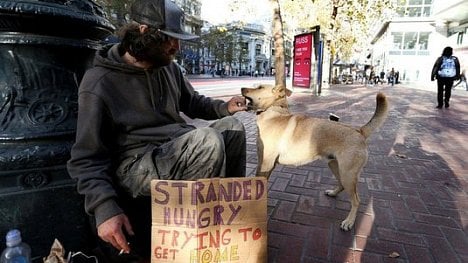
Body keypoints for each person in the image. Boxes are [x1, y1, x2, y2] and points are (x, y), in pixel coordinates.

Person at [66, 0, 247, 261]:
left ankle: (224, 220)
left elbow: (192, 102)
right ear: (143, 31)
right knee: (206, 141)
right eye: (169, 39)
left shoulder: (169, 67)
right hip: (135, 165)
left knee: (233, 128)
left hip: (174, 147)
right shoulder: (99, 82)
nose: (177, 47)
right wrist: (104, 207)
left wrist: (225, 108)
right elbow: (86, 157)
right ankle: (189, 244)